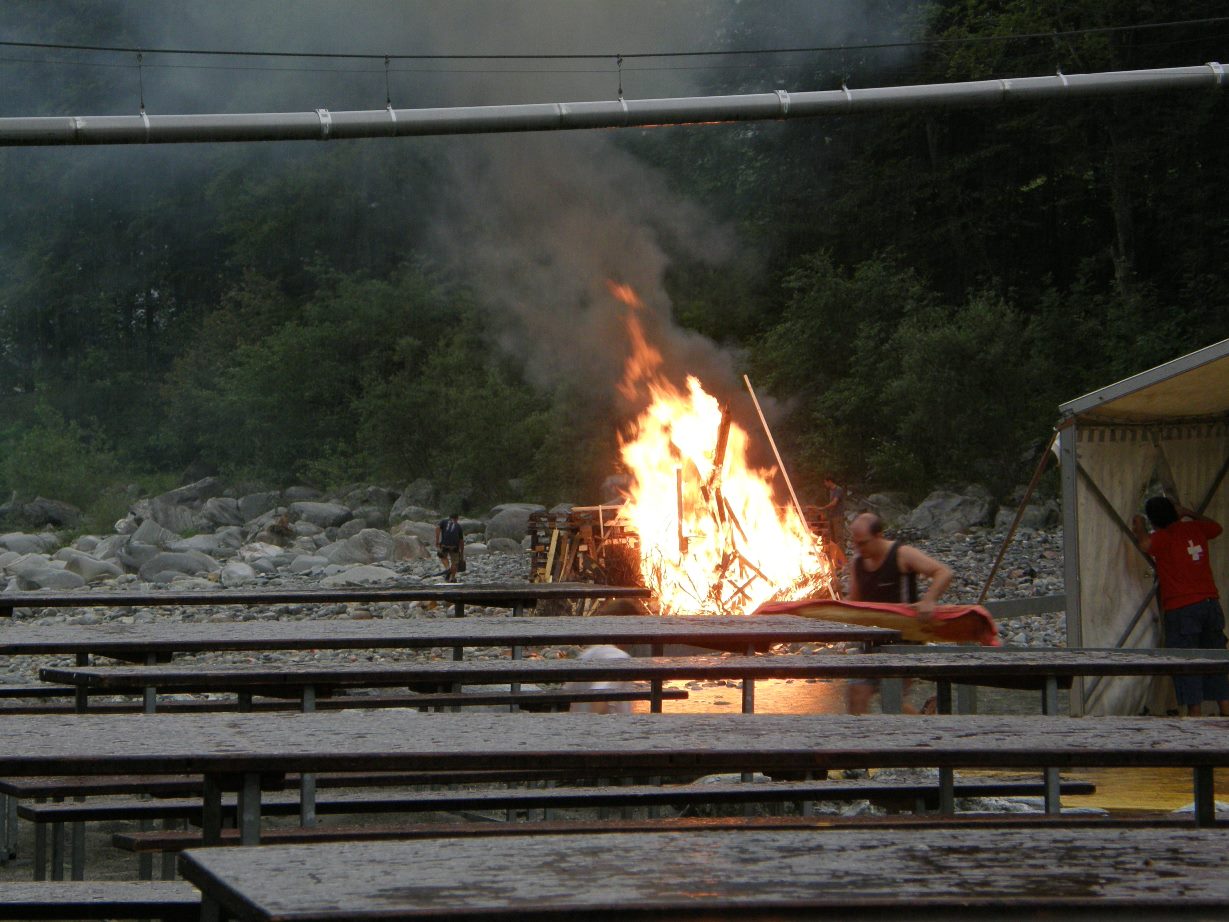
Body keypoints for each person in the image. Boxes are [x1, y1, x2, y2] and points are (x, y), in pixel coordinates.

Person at [845, 512, 954, 715]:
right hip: (871, 641)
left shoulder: (902, 554)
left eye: (863, 543)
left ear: (879, 535)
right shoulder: (857, 563)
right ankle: (857, 744)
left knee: (891, 702)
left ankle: (924, 730)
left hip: (903, 641)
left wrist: (929, 600)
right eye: (855, 543)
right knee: (856, 695)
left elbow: (944, 572)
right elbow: (855, 602)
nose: (858, 549)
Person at [1131, 496, 1229, 717]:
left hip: (1182, 608)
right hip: (1210, 604)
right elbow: (1217, 527)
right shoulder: (1195, 529)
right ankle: (1225, 710)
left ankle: (1195, 716)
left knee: (1187, 663)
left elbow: (1145, 544)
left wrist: (1139, 524)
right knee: (1215, 660)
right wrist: (1188, 512)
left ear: (1154, 520)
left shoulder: (1163, 538)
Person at [819, 475, 848, 566]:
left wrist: (824, 508)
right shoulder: (831, 491)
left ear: (829, 481)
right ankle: (835, 559)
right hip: (832, 516)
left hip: (837, 516)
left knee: (839, 537)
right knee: (833, 538)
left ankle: (842, 559)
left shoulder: (838, 490)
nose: (825, 484)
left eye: (825, 482)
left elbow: (834, 503)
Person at [434, 513, 466, 583]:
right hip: (454, 547)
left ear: (449, 517)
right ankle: (452, 578)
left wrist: (437, 541)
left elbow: (437, 529)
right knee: (455, 563)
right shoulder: (458, 526)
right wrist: (462, 553)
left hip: (444, 545)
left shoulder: (444, 521)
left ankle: (448, 569)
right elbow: (461, 541)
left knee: (442, 556)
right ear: (457, 519)